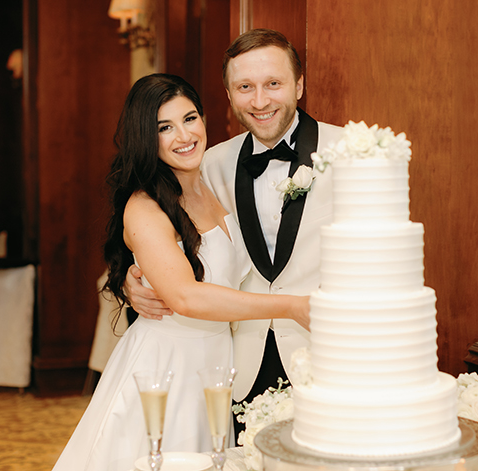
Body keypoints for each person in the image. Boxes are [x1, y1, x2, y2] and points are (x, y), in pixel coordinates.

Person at [52, 74, 309, 471]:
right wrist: (291, 306)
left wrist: (132, 278)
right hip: (166, 367)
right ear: (145, 138)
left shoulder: (214, 179)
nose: (183, 135)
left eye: (190, 118)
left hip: (218, 364)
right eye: (164, 127)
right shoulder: (145, 206)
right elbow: (186, 296)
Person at [126, 29, 344, 437]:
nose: (259, 101)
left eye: (273, 84)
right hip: (238, 366)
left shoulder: (352, 153)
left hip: (329, 360)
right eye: (245, 87)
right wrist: (133, 277)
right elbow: (161, 238)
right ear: (228, 95)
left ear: (300, 84)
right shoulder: (207, 163)